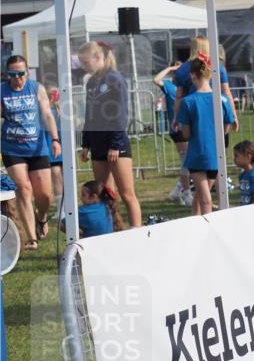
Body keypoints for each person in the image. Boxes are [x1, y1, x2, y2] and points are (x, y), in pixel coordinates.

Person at [78, 41, 141, 228]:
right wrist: (86, 143)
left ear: (99, 57)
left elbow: (121, 114)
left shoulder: (115, 79)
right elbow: (89, 115)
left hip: (115, 144)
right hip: (97, 143)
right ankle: (111, 229)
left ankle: (137, 231)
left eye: (86, 62)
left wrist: (116, 144)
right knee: (104, 193)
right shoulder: (90, 82)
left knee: (127, 193)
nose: (83, 66)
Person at [1, 56, 60, 250]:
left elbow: (47, 115)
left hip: (37, 147)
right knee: (23, 189)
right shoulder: (3, 90)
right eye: (12, 74)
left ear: (27, 72)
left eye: (20, 73)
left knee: (44, 195)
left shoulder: (36, 88)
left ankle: (41, 217)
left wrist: (55, 139)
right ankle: (31, 237)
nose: (17, 78)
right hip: (12, 148)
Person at [176, 56, 236, 215]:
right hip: (216, 154)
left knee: (205, 199)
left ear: (192, 75)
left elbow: (186, 134)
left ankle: (204, 231)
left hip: (197, 155)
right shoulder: (222, 99)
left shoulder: (188, 102)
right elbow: (226, 128)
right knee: (204, 196)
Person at [172, 35, 238, 133]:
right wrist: (234, 115)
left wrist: (176, 117)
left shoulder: (181, 70)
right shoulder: (217, 67)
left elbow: (179, 96)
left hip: (194, 111)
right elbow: (227, 92)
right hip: (216, 110)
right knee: (221, 143)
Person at [154, 62, 191, 206]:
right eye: (177, 68)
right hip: (178, 129)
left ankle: (177, 191)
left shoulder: (188, 85)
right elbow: (156, 80)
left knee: (190, 162)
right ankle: (186, 194)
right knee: (187, 162)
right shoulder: (170, 87)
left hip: (188, 127)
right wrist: (169, 69)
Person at [46, 88, 64, 221]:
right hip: (63, 149)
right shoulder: (62, 112)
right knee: (63, 180)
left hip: (52, 150)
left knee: (57, 180)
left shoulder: (49, 113)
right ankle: (65, 209)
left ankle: (61, 211)